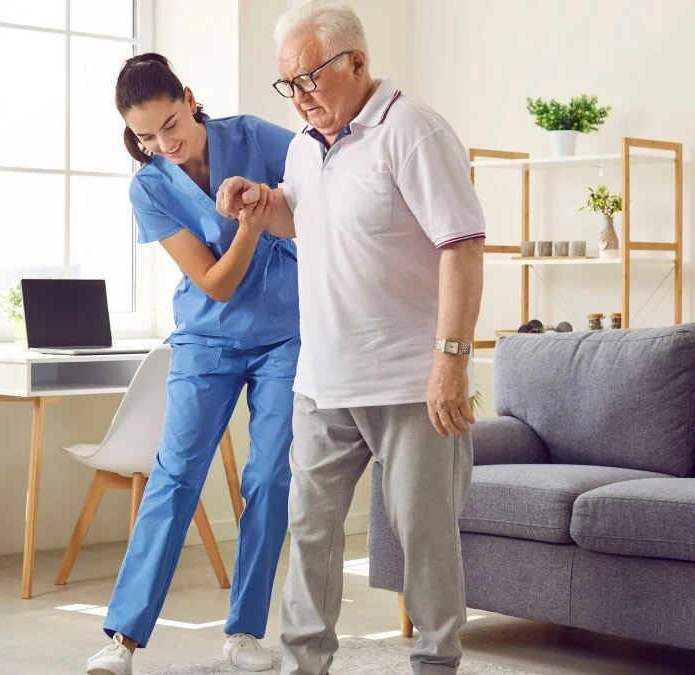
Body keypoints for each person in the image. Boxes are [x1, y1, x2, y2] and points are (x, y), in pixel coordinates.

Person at [216, 2, 486, 673]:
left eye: (309, 79)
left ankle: (435, 660)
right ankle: (305, 662)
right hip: (324, 378)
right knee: (308, 530)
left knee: (423, 536)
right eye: (289, 85)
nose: (300, 98)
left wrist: (450, 360)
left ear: (356, 62)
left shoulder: (413, 131)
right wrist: (263, 203)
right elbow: (305, 216)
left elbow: (464, 246)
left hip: (409, 380)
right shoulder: (305, 148)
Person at [85, 53, 300, 675]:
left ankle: (244, 633)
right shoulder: (149, 185)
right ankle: (122, 640)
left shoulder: (256, 136)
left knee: (266, 478)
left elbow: (324, 175)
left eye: (171, 124)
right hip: (206, 339)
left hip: (286, 334)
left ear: (189, 96)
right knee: (176, 477)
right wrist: (253, 229)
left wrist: (269, 204)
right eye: (146, 136)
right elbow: (215, 283)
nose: (164, 143)